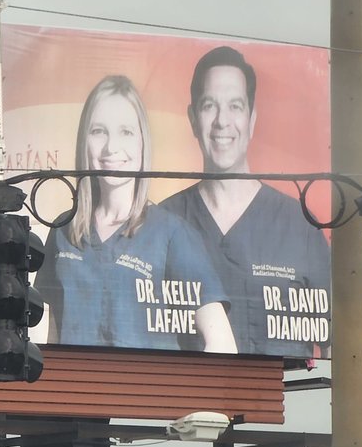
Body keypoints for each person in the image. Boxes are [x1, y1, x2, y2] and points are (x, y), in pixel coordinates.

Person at [35, 75, 236, 353]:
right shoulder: (63, 230)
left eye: (125, 132)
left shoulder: (172, 235)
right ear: (84, 140)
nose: (111, 147)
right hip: (78, 394)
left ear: (143, 143)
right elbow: (54, 338)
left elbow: (223, 343)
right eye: (99, 131)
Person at [161, 46, 331, 357]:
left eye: (235, 106)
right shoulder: (161, 223)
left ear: (252, 120)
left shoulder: (300, 226)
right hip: (182, 404)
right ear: (192, 118)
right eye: (209, 105)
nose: (222, 122)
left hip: (274, 402)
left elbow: (341, 336)